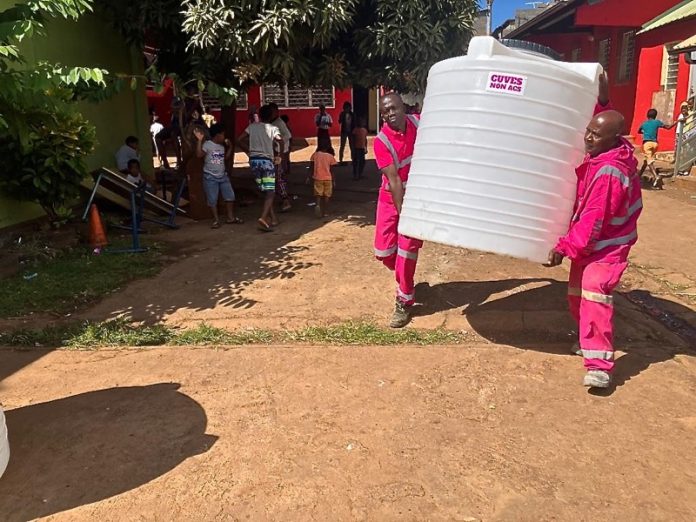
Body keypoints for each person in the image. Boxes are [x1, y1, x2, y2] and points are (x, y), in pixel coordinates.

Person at [544, 76, 642, 389]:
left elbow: (591, 222)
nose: (587, 138)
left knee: (594, 292)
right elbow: (607, 122)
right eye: (588, 131)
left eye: (595, 135)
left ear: (612, 139)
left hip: (608, 246)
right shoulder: (612, 147)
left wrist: (563, 247)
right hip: (595, 243)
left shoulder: (608, 174)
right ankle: (587, 341)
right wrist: (603, 100)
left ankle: (600, 365)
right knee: (577, 294)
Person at [373, 93, 422, 328]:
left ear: (404, 108)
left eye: (394, 108)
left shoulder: (419, 123)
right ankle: (405, 276)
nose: (390, 114)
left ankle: (404, 298)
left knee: (406, 251)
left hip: (416, 196)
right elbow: (393, 181)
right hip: (391, 198)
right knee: (384, 253)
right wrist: (404, 216)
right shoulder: (381, 141)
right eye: (385, 111)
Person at [237, 104, 283, 232]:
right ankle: (263, 218)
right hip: (266, 161)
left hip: (254, 161)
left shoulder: (251, 127)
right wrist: (279, 155)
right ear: (272, 115)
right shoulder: (273, 128)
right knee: (271, 192)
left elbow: (239, 140)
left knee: (266, 190)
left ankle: (272, 218)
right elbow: (280, 140)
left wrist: (249, 151)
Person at [194, 123, 242, 229]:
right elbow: (199, 155)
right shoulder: (207, 144)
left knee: (230, 196)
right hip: (210, 176)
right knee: (212, 199)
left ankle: (231, 217)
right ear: (217, 135)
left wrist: (230, 147)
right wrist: (199, 141)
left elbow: (224, 158)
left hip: (222, 175)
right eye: (223, 135)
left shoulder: (221, 146)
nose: (224, 137)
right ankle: (216, 220)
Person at [637, 108, 677, 189]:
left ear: (647, 115)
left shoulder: (644, 123)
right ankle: (639, 176)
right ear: (655, 116)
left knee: (649, 161)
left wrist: (644, 132)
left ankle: (656, 176)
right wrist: (676, 123)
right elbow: (668, 127)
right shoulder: (657, 122)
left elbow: (639, 131)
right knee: (646, 160)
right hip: (655, 144)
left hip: (647, 143)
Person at [269, 102, 293, 212]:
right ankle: (281, 198)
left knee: (279, 177)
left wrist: (282, 150)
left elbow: (287, 136)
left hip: (279, 153)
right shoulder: (272, 123)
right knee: (278, 177)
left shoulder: (279, 123)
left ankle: (285, 200)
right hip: (276, 153)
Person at [309, 143, 337, 218]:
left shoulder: (315, 155)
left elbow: (311, 167)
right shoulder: (330, 157)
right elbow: (332, 170)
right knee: (327, 195)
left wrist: (309, 176)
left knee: (318, 194)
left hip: (318, 178)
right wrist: (333, 180)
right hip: (328, 178)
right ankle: (325, 211)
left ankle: (318, 205)